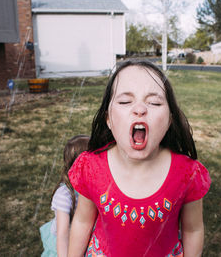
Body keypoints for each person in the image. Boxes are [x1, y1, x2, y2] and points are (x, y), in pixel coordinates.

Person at [67, 60, 211, 256]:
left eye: (154, 102)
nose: (140, 109)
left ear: (169, 119)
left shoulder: (187, 173)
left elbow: (192, 230)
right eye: (125, 101)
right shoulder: (91, 167)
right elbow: (83, 221)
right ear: (108, 118)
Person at [40, 135, 89, 257]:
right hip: (64, 245)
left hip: (82, 237)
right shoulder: (64, 194)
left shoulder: (91, 185)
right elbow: (62, 235)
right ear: (81, 165)